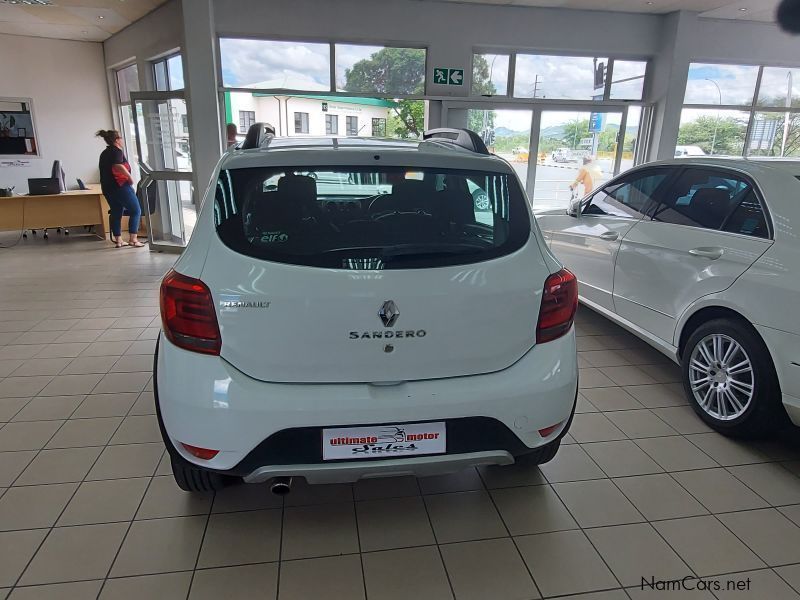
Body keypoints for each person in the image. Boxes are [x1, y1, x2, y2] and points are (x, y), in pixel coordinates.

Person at [96, 130, 143, 248]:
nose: (122, 140)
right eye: (120, 138)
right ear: (116, 140)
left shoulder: (104, 153)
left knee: (116, 212)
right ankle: (133, 239)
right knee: (136, 210)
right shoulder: (116, 151)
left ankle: (119, 240)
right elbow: (117, 165)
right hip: (120, 186)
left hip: (107, 188)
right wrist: (129, 177)